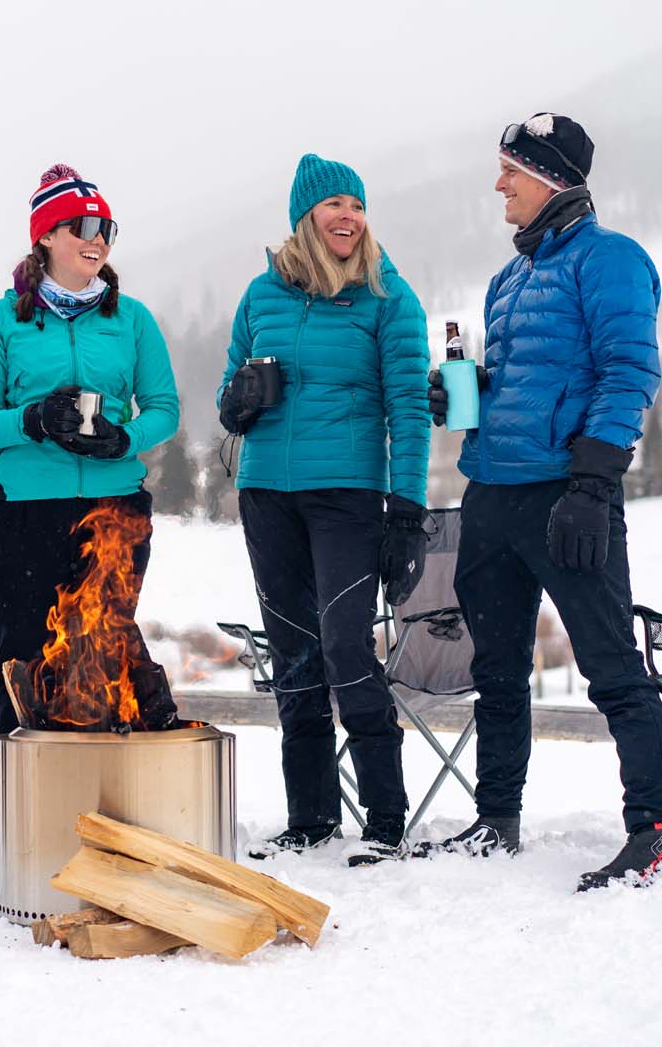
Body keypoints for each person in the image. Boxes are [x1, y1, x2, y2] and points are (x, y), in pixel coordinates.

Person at [421, 112, 662, 891]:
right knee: (497, 669)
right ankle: (496, 818)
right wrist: (459, 394)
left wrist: (593, 486)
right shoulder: (509, 279)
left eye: (511, 170)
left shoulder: (609, 260)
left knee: (608, 666)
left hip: (567, 494)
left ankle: (654, 828)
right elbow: (520, 380)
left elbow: (628, 372)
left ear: (552, 178)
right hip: (492, 491)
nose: (498, 184)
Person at [217, 154, 432, 866]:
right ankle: (308, 817)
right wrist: (238, 401)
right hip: (266, 494)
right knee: (292, 652)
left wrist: (406, 508)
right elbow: (230, 387)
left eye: (356, 205)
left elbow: (409, 408)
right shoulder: (261, 294)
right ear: (303, 218)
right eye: (333, 205)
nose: (347, 217)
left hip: (345, 495)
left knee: (345, 647)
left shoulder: (386, 297)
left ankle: (385, 817)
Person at [0, 164, 179, 733]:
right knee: (25, 657)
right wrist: (34, 418)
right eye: (82, 225)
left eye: (106, 227)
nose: (97, 238)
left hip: (114, 511)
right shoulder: (0, 321)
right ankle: (30, 803)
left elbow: (164, 408)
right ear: (46, 237)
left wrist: (125, 438)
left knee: (104, 654)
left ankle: (100, 801)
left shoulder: (131, 319)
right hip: (25, 515)